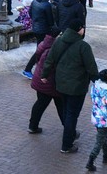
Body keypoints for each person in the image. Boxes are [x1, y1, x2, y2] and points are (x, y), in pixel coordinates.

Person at [42, 26, 99, 154]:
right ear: (79, 30)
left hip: (61, 84)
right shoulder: (83, 46)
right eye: (83, 28)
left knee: (67, 111)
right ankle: (67, 144)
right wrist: (97, 81)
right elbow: (91, 67)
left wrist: (44, 75)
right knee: (72, 115)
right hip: (77, 87)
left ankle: (71, 134)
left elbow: (50, 60)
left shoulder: (59, 41)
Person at [27, 33, 64, 134]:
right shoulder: (54, 51)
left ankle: (32, 126)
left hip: (40, 79)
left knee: (40, 104)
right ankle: (70, 131)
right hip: (49, 83)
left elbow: (38, 59)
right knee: (61, 106)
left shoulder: (44, 45)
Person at [86, 69, 107, 172]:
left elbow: (93, 98)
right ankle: (91, 161)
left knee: (103, 137)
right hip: (104, 120)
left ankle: (106, 155)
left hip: (96, 116)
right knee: (99, 140)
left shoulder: (95, 86)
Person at [22, 0, 57, 79]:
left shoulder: (35, 0)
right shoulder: (47, 5)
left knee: (40, 49)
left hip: (36, 27)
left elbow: (30, 12)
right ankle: (28, 69)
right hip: (43, 30)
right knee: (40, 50)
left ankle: (37, 67)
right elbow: (50, 21)